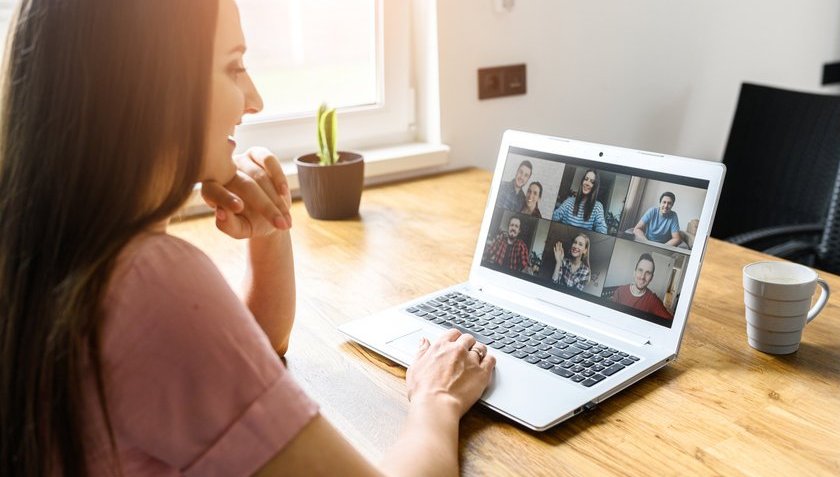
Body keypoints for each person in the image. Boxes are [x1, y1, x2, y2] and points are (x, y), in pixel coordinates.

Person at [0, 1, 495, 475]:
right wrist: (437, 400)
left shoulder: (49, 241)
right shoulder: (146, 280)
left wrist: (267, 232)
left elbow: (245, 354)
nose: (254, 99)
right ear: (150, 85)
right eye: (233, 67)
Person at [610, 254, 673, 319]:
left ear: (651, 278)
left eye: (648, 273)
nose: (642, 277)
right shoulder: (620, 291)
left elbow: (671, 321)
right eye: (640, 270)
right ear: (634, 272)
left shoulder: (653, 300)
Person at [552, 169, 608, 233]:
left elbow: (602, 229)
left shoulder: (598, 206)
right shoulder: (569, 201)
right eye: (586, 179)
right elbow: (554, 216)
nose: (587, 183)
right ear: (582, 182)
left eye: (592, 182)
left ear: (595, 186)